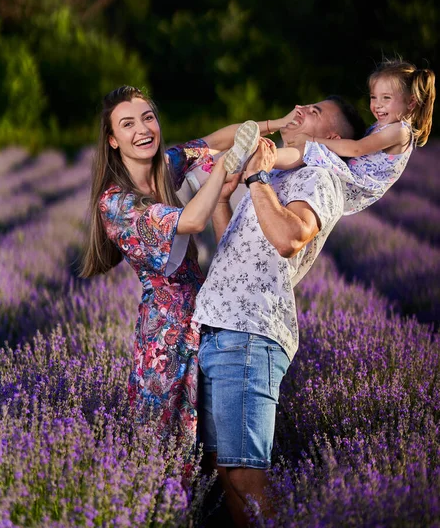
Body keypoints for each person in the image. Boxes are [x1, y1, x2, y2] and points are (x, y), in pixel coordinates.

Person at [80, 85, 292, 443]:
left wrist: (274, 124)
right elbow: (192, 221)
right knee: (167, 443)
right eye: (128, 124)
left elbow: (213, 140)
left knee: (216, 436)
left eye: (148, 118)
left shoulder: (165, 167)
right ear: (113, 140)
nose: (143, 130)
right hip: (166, 335)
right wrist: (223, 165)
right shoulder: (115, 203)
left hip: (206, 313)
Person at [192, 96, 366, 526]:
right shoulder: (274, 179)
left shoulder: (321, 177)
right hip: (219, 327)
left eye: (317, 110)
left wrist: (258, 178)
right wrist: (221, 202)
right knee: (223, 470)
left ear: (332, 138)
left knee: (244, 472)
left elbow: (290, 237)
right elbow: (236, 249)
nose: (301, 107)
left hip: (250, 335)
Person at [274, 59, 436, 213]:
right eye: (374, 97)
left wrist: (312, 139)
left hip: (355, 184)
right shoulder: (386, 125)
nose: (377, 104)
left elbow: (357, 149)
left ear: (411, 103)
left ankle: (266, 158)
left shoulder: (400, 131)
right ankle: (270, 169)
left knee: (309, 150)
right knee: (308, 159)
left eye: (386, 98)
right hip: (350, 175)